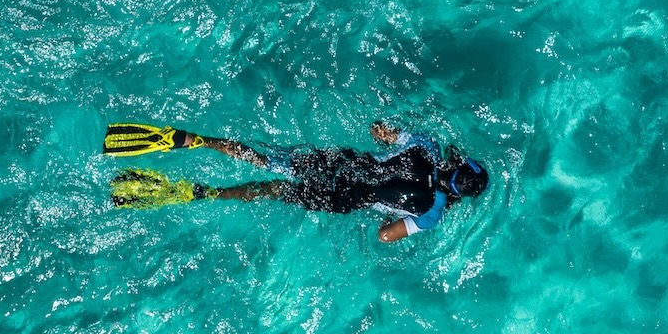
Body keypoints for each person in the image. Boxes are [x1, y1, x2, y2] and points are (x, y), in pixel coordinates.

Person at [104, 121, 488, 243]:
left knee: (265, 157)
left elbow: (380, 130)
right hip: (340, 196)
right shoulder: (432, 213)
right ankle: (206, 193)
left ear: (458, 163)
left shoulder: (426, 145)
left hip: (341, 163)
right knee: (273, 190)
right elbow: (385, 236)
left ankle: (194, 140)